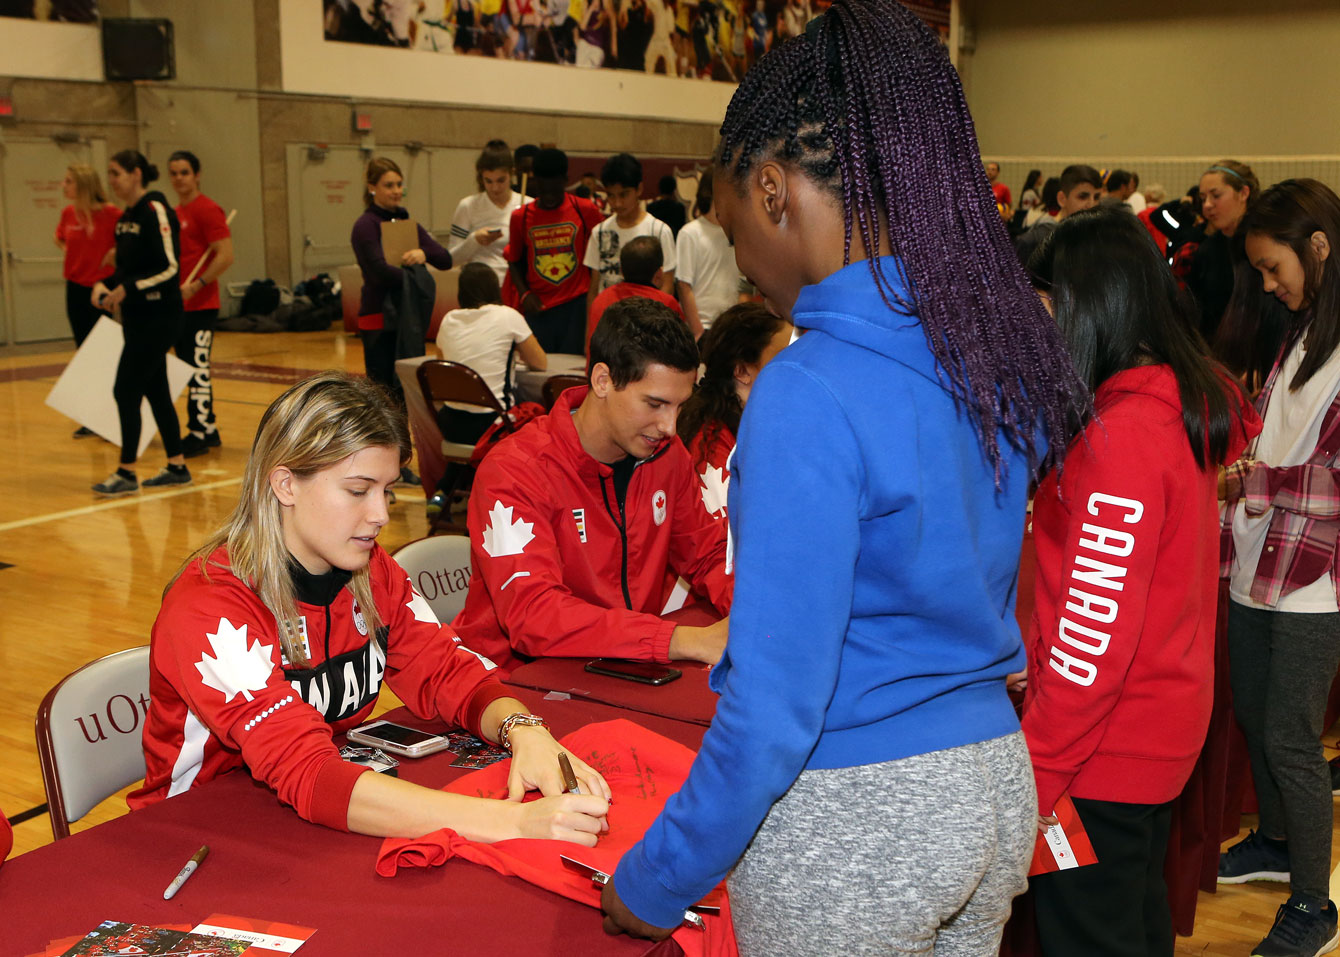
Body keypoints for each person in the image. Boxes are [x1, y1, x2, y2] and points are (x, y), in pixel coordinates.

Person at [597, 2, 1088, 951]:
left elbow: (775, 707)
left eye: (736, 226)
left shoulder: (805, 389)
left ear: (774, 191)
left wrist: (654, 882)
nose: (742, 264)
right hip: (989, 781)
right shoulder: (979, 346)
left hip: (859, 817)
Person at [127, 371, 611, 842]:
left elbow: (449, 673)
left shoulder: (372, 570)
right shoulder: (211, 607)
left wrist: (524, 730)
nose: (380, 515)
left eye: (387, 490)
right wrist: (508, 823)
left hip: (308, 817)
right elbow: (307, 770)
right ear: (285, 485)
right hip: (197, 835)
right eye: (358, 491)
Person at [1022, 208, 1257, 957]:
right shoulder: (1163, 403)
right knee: (1133, 921)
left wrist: (1037, 773)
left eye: (1046, 311)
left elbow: (1093, 635)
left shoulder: (1120, 437)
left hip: (1104, 749)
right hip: (1150, 731)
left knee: (1092, 931)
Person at [451, 297, 733, 673]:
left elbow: (709, 554)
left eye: (679, 406)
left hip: (618, 668)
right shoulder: (514, 471)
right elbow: (534, 616)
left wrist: (761, 618)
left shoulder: (668, 456)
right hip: (510, 684)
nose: (670, 426)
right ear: (603, 380)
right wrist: (677, 640)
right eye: (654, 404)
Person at [1218, 179, 1340, 957]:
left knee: (1293, 738)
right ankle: (1272, 839)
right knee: (1256, 715)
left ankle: (1312, 901)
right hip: (1257, 559)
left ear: (1318, 248)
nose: (1269, 285)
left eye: (1273, 268)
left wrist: (1251, 480)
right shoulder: (1300, 335)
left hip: (1314, 580)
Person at [89, 150, 191, 496]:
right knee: (156, 390)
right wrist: (108, 283)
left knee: (125, 388)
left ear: (136, 174)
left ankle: (126, 471)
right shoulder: (125, 218)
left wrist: (127, 287)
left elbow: (169, 267)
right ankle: (177, 465)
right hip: (135, 317)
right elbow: (128, 268)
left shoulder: (156, 210)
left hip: (160, 317)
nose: (112, 180)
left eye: (116, 173)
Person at [351, 155, 451, 487]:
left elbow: (444, 257)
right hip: (379, 320)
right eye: (388, 185)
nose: (396, 191)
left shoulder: (406, 223)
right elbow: (379, 271)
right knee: (380, 397)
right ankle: (374, 465)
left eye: (398, 185)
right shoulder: (365, 225)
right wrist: (415, 273)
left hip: (405, 319)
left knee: (401, 397)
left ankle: (398, 466)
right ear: (372, 188)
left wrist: (422, 255)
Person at [429, 262, 547, 514]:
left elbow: (446, 366)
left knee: (473, 419)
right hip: (490, 424)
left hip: (450, 423)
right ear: (495, 287)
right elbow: (540, 362)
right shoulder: (508, 316)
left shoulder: (449, 319)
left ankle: (445, 490)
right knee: (538, 419)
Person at [675, 302, 792, 520]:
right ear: (741, 371)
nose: (795, 369)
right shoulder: (710, 445)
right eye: (783, 358)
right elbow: (724, 546)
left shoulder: (752, 429)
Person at [503, 147, 604, 355]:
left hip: (576, 308)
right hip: (538, 308)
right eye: (543, 189)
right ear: (535, 181)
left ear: (565, 181)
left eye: (554, 190)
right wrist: (524, 294)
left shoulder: (585, 210)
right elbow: (514, 260)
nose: (548, 196)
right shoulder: (520, 217)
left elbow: (599, 255)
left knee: (571, 370)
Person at [167, 150, 235, 459]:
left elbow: (225, 255)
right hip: (179, 305)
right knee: (188, 367)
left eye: (184, 172)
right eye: (174, 173)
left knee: (198, 369)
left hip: (202, 304)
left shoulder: (207, 210)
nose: (179, 178)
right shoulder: (175, 212)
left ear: (197, 175)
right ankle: (208, 428)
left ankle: (199, 430)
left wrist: (198, 284)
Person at [54, 162, 119, 437]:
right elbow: (59, 239)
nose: (63, 185)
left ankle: (112, 417)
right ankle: (93, 418)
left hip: (101, 290)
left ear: (82, 184)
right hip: (75, 287)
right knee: (85, 354)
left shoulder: (112, 214)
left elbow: (128, 246)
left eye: (68, 181)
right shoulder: (69, 213)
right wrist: (76, 254)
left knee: (104, 355)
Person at [583, 152, 676, 308]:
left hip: (646, 320)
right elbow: (593, 290)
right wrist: (590, 330)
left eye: (624, 194)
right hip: (609, 322)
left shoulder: (659, 231)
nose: (617, 203)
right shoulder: (599, 233)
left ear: (639, 189)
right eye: (611, 196)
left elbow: (667, 286)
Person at [1187, 160, 1258, 346]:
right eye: (1203, 199)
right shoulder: (1207, 249)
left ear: (1243, 193)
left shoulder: (1263, 246)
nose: (1207, 205)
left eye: (1216, 195)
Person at [449, 141, 530, 284]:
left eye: (501, 180)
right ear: (481, 177)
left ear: (511, 173)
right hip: (480, 285)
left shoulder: (528, 205)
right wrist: (474, 240)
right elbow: (451, 259)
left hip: (517, 285)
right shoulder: (468, 206)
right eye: (488, 181)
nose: (495, 188)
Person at [586, 236, 683, 354]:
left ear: (621, 271)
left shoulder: (600, 300)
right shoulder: (667, 305)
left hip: (603, 371)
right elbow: (679, 353)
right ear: (659, 274)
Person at [675, 169, 742, 337]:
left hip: (729, 325)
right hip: (702, 326)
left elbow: (743, 284)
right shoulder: (690, 233)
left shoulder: (737, 233)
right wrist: (698, 331)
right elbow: (684, 286)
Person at [1015, 163, 1103, 268]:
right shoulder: (1033, 241)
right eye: (1083, 197)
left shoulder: (1100, 240)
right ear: (1062, 199)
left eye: (1096, 197)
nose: (1092, 204)